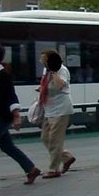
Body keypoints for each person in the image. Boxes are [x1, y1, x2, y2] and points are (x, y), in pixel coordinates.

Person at [0, 42, 41, 186]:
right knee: (7, 147)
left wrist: (16, 116)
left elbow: (11, 96)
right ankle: (31, 169)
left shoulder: (3, 75)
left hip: (1, 118)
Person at [36, 49, 76, 178]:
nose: (41, 61)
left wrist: (53, 72)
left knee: (54, 140)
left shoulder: (61, 70)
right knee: (45, 137)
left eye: (44, 58)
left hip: (61, 109)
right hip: (49, 109)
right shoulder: (45, 70)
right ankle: (66, 157)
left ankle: (53, 169)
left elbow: (59, 85)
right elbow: (46, 85)